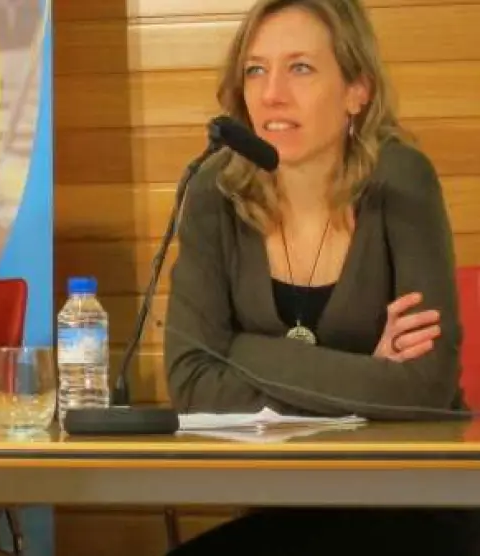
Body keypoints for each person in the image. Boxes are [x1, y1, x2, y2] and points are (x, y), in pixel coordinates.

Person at [163, 0, 480, 553]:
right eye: (256, 70)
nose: (272, 94)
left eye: (301, 68)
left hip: (413, 502)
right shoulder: (215, 191)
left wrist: (241, 350)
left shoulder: (402, 180)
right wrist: (368, 383)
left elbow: (425, 386)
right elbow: (191, 384)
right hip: (285, 503)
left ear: (357, 90)